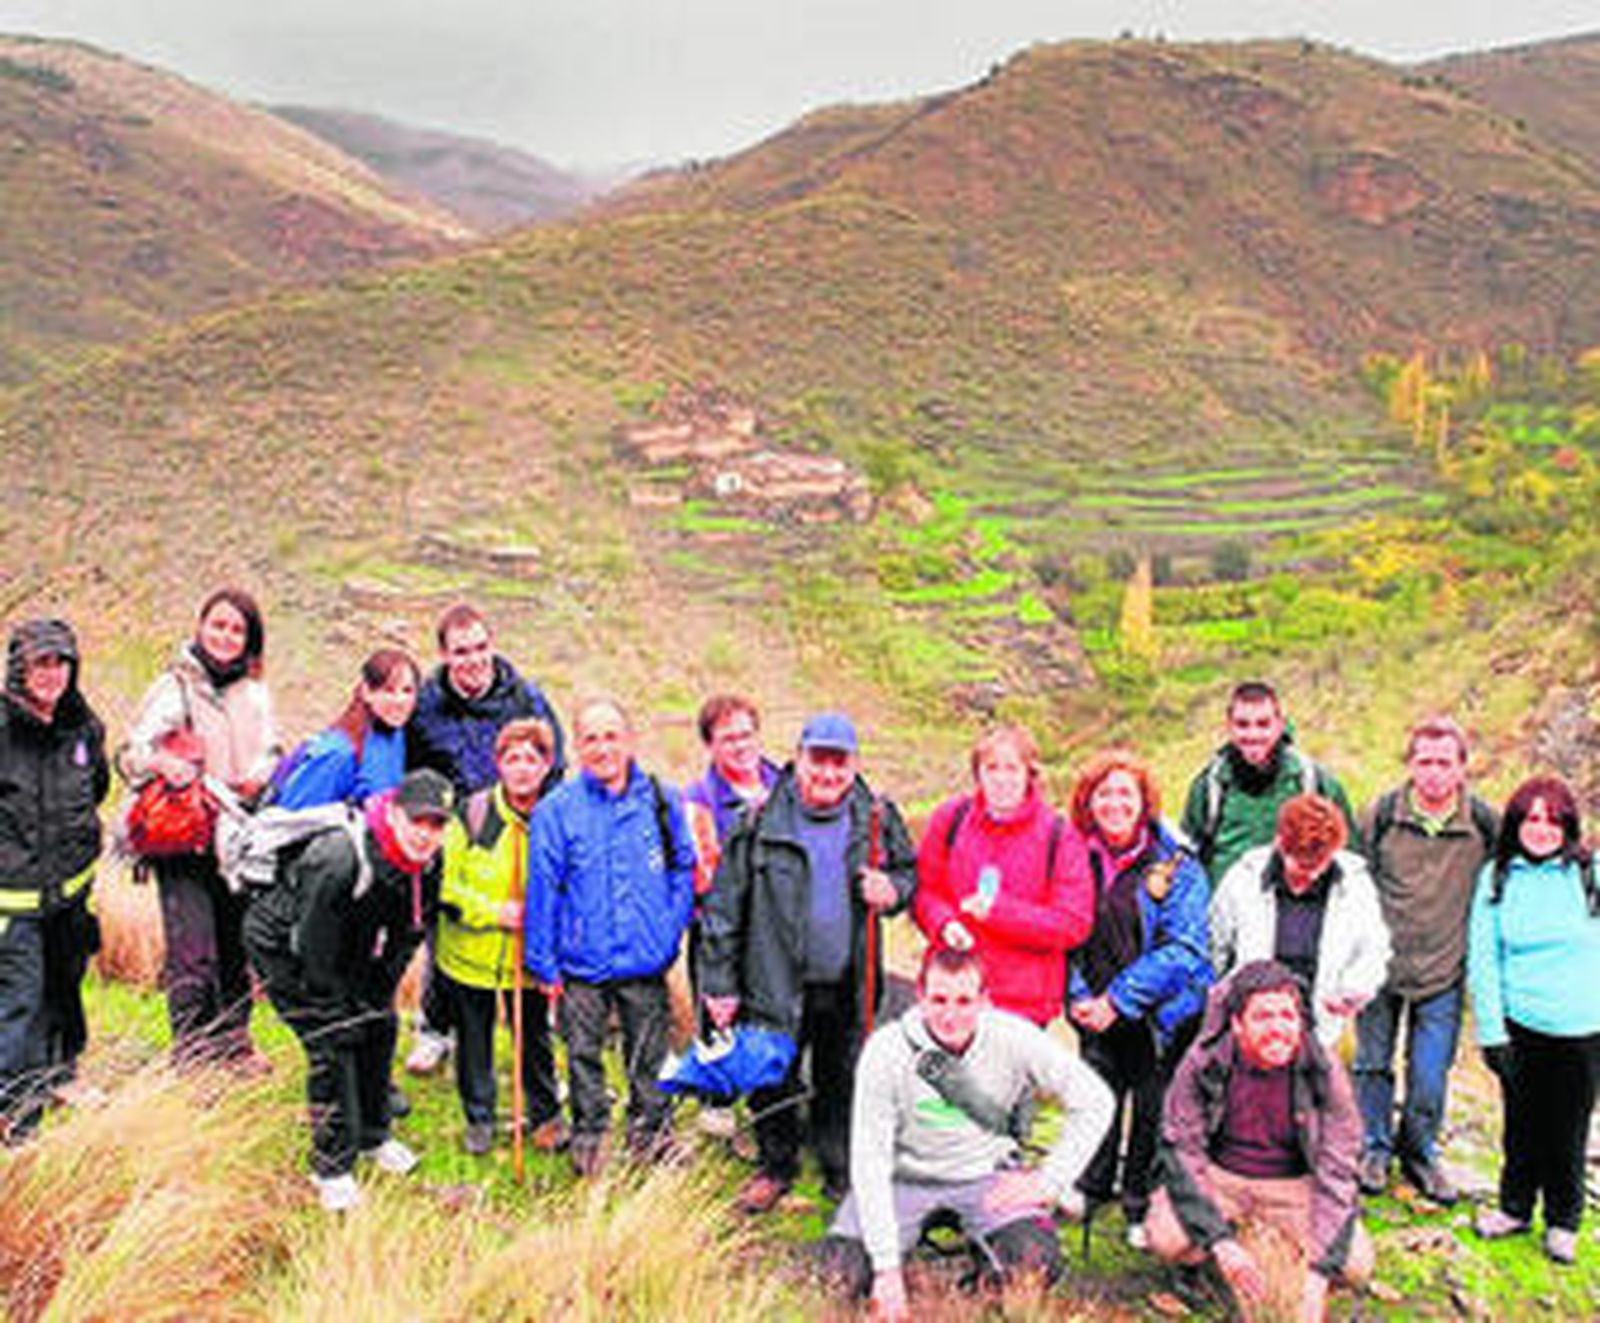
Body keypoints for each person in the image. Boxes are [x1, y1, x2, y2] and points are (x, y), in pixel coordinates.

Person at [817, 945, 1114, 1319]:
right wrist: (886, 1270)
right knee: (838, 1275)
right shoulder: (886, 1050)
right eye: (939, 1000)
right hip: (903, 1178)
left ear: (984, 1001)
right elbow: (869, 1159)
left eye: (964, 1000)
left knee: (1034, 1264)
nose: (950, 1015)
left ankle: (978, 1283)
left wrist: (1049, 1181)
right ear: (920, 996)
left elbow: (1096, 1099)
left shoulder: (1013, 1036)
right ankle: (904, 1274)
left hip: (985, 1176)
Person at [699, 711, 917, 1213]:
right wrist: (719, 985)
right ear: (798, 758)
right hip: (772, 978)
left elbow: (907, 874)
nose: (828, 774)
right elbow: (724, 909)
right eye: (818, 760)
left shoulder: (877, 815)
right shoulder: (756, 821)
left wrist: (894, 891)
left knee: (843, 1074)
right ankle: (776, 1166)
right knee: (772, 1074)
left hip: (848, 981)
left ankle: (839, 1167)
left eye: (839, 763)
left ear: (853, 765)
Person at [243, 769, 452, 1212]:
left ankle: (374, 1136)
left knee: (379, 1025)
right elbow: (312, 946)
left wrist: (380, 988)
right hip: (284, 945)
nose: (425, 834)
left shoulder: (429, 863)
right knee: (333, 1041)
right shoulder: (339, 857)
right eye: (417, 821)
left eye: (436, 825)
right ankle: (331, 1168)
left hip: (350, 943)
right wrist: (334, 1004)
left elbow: (410, 931)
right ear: (394, 814)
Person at [1146, 960, 1374, 1323]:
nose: (1279, 1028)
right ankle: (1210, 1262)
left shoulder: (1324, 1070)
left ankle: (1289, 1274)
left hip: (1294, 1185)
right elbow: (1182, 1153)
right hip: (1221, 1177)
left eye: (1288, 1015)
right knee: (1166, 1237)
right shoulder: (1203, 1064)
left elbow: (1338, 1170)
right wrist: (1221, 1243)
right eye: (1263, 1017)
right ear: (1237, 1024)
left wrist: (1317, 1277)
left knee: (1355, 1264)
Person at [523, 697, 695, 1177]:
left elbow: (684, 865)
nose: (602, 748)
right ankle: (591, 1135)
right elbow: (542, 888)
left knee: (648, 1052)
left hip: (645, 957)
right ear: (577, 747)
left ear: (630, 740)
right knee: (582, 1053)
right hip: (581, 962)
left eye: (611, 735)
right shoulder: (556, 810)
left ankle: (653, 1135)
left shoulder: (661, 799)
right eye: (591, 738)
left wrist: (668, 927)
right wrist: (543, 962)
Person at [405, 603, 565, 1076]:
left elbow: (554, 763)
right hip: (455, 828)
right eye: (461, 651)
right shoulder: (426, 705)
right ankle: (435, 1027)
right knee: (448, 928)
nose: (472, 660)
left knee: (520, 922)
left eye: (479, 648)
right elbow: (412, 772)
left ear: (492, 645)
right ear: (444, 654)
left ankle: (533, 1038)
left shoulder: (526, 698)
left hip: (517, 823)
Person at [122, 587, 278, 1071]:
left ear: (250, 639)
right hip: (183, 837)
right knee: (193, 954)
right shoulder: (175, 686)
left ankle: (234, 1045)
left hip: (237, 837)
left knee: (236, 948)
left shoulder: (255, 694)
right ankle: (191, 1057)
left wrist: (263, 773)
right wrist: (165, 763)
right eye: (218, 625)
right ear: (201, 626)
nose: (226, 636)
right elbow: (131, 755)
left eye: (237, 629)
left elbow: (272, 749)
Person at [1063, 750, 1212, 1245]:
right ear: (1088, 802)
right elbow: (1064, 932)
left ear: (1144, 801)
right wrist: (1081, 997)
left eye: (1125, 792)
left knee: (1152, 1106)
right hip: (1095, 1009)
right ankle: (1092, 1184)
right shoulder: (1074, 856)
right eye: (1103, 793)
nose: (1114, 803)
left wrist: (1121, 999)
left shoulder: (1176, 861)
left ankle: (1138, 1203)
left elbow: (1186, 947)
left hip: (1158, 1013)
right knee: (1096, 1097)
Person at [1352, 717, 1496, 1204]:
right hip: (1381, 968)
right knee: (1372, 1064)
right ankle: (1371, 1148)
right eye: (1424, 762)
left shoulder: (1481, 823)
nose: (1433, 773)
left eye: (1444, 763)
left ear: (1461, 768)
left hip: (1443, 970)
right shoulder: (1382, 814)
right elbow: (1354, 882)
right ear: (1410, 765)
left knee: (1429, 1073)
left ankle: (1420, 1153)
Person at [1467, 775, 1600, 1265]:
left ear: (1568, 825)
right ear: (1516, 824)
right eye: (1531, 818)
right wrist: (1491, 1032)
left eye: (1552, 819)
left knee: (1567, 1128)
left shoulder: (1591, 873)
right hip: (1521, 1025)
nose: (1541, 828)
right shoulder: (1497, 877)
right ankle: (1514, 1208)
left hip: (1584, 1028)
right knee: (1520, 1125)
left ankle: (1564, 1220)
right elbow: (1483, 958)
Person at [0, 620, 109, 1142]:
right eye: (40, 663)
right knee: (20, 998)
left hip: (70, 895)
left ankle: (60, 1076)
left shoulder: (84, 728)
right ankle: (17, 1118)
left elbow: (98, 788)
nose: (51, 674)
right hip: (12, 901)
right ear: (18, 668)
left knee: (63, 990)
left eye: (60, 662)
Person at [437, 719, 563, 1156]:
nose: (522, 769)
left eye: (531, 759)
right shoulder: (473, 814)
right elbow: (446, 887)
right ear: (498, 764)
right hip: (469, 958)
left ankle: (545, 1115)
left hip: (528, 960)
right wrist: (495, 913)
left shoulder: (556, 818)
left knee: (535, 1041)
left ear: (547, 766)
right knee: (474, 1042)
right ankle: (480, 1118)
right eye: (512, 759)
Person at [913, 724, 1094, 1028]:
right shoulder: (951, 818)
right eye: (991, 768)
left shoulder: (1058, 835)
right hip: (953, 997)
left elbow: (1073, 923)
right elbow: (924, 892)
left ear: (1029, 774)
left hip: (1023, 1007)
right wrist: (944, 924)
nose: (1001, 779)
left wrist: (997, 912)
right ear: (977, 774)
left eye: (1012, 768)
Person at [1209, 794, 1389, 1048]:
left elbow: (1373, 950)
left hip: (1319, 1030)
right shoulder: (1243, 878)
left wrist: (1353, 989)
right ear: (1281, 844)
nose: (1312, 875)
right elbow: (1216, 945)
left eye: (1320, 864)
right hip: (1250, 1028)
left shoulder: (1356, 883)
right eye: (1302, 866)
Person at [1181, 682, 1356, 887]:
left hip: (1295, 908)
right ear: (1229, 726)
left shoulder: (1313, 781)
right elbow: (1187, 858)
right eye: (1242, 724)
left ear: (1280, 725)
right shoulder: (1210, 786)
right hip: (1227, 910)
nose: (1253, 735)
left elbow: (1347, 856)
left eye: (1263, 724)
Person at [271, 648, 420, 809]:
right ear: (366, 692)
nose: (400, 701)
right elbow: (291, 820)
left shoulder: (396, 735)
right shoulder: (338, 754)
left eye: (407, 691)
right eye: (388, 690)